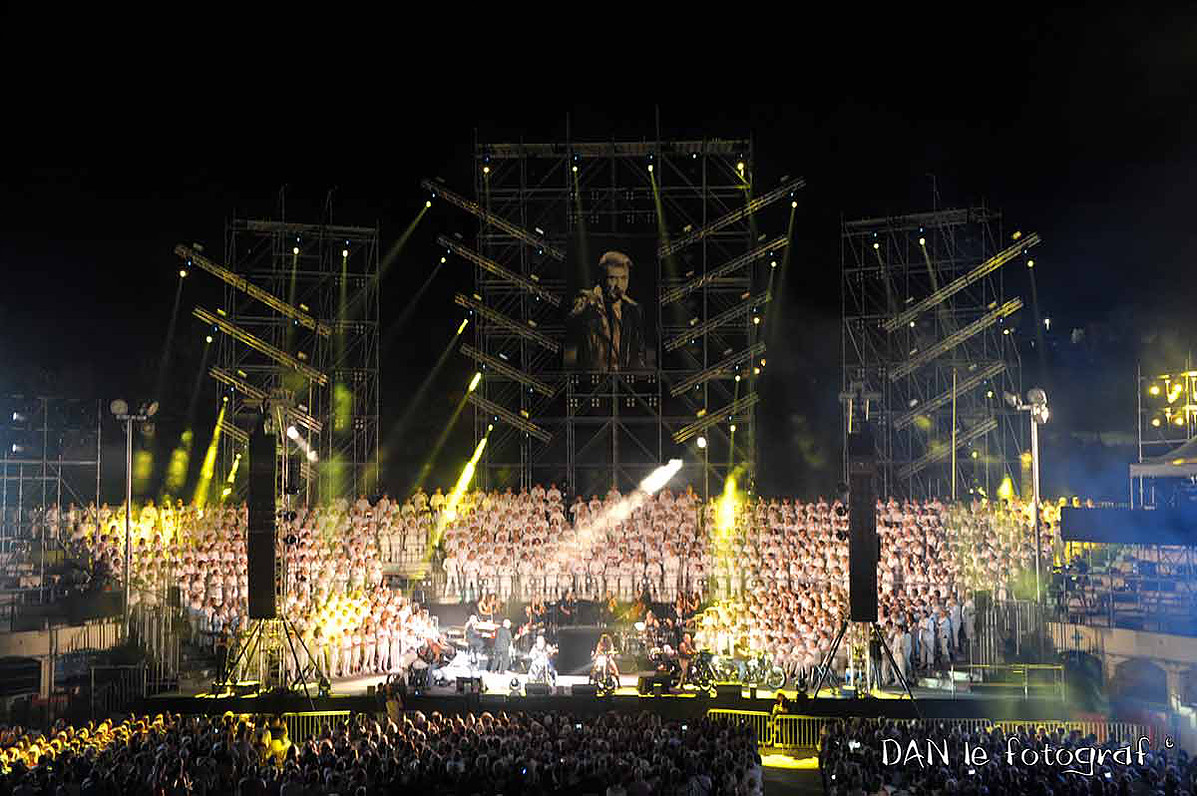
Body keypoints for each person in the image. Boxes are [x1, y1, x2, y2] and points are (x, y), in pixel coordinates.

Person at [567, 251, 648, 372]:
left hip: (621, 378)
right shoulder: (588, 303)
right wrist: (579, 310)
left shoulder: (634, 309)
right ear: (601, 278)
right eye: (612, 278)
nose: (619, 285)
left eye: (624, 278)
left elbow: (639, 352)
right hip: (592, 377)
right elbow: (569, 329)